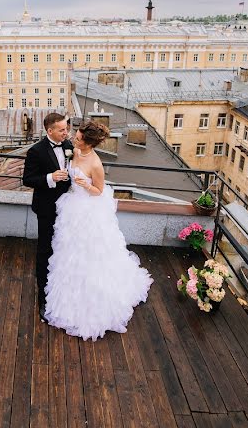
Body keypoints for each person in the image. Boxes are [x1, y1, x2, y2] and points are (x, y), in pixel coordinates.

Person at [44, 120, 153, 341]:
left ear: (88, 142)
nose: (74, 137)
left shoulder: (96, 164)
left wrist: (86, 185)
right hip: (71, 208)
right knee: (69, 253)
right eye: (76, 134)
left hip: (88, 211)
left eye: (79, 136)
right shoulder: (73, 151)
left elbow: (99, 191)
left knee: (91, 254)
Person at [22, 113, 74, 321]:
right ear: (49, 130)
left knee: (63, 248)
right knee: (45, 250)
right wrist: (50, 177)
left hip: (68, 208)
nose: (66, 132)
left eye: (66, 128)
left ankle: (62, 286)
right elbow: (28, 179)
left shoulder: (68, 144)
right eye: (61, 130)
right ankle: (43, 296)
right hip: (46, 209)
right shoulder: (36, 151)